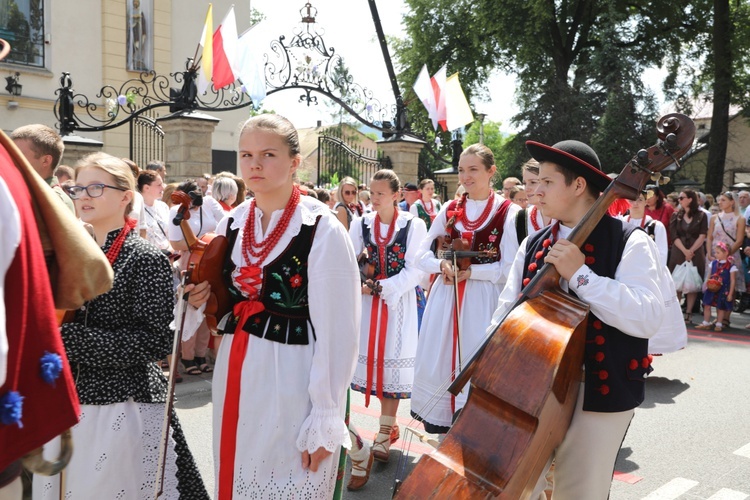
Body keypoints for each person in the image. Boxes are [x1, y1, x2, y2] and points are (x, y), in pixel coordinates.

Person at [186, 114, 359, 498]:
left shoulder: (322, 229)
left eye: (268, 154)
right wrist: (202, 298)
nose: (255, 165)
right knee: (240, 472)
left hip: (295, 374)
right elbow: (223, 301)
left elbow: (339, 331)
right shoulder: (233, 223)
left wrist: (326, 414)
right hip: (236, 366)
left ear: (295, 162)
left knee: (289, 479)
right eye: (246, 155)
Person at [488, 139, 665, 499]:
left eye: (547, 182)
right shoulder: (533, 243)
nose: (534, 192)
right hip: (532, 385)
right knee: (518, 488)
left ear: (579, 185)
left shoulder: (630, 240)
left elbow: (647, 316)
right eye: (534, 182)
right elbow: (505, 314)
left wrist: (582, 277)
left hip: (597, 388)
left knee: (579, 492)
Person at [33, 152, 208, 499]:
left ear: (126, 196)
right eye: (78, 188)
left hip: (118, 405)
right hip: (60, 401)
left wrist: (68, 338)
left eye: (96, 188)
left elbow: (155, 341)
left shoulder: (144, 257)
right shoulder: (61, 253)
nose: (83, 196)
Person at [410, 143, 520, 434]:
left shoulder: (509, 213)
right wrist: (442, 266)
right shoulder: (449, 208)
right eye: (461, 170)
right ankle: (446, 436)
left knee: (476, 362)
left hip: (483, 302)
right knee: (442, 360)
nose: (465, 176)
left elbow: (509, 269)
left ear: (491, 171)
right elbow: (420, 256)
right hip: (447, 299)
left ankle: (474, 436)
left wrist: (471, 272)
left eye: (473, 169)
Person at [349, 169, 427, 469]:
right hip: (369, 303)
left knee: (392, 360)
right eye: (372, 191)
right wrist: (362, 282)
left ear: (396, 195)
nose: (374, 197)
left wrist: (386, 287)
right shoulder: (361, 223)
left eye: (381, 193)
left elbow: (416, 268)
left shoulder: (413, 224)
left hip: (399, 301)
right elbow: (351, 257)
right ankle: (387, 427)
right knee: (374, 361)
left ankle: (385, 427)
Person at [168, 180, 218, 376]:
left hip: (212, 258)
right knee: (191, 307)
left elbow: (224, 223)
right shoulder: (177, 211)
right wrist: (197, 244)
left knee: (209, 307)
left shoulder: (209, 205)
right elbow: (175, 242)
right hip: (192, 259)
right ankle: (188, 357)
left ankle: (201, 354)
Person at [10, 124, 75, 214]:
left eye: (19, 155)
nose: (12, 160)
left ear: (45, 160)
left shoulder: (55, 200)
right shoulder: (25, 192)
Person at [667, 189, 707, 324]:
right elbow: (674, 236)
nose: (679, 200)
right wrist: (685, 251)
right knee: (676, 282)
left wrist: (691, 251)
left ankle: (689, 312)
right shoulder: (676, 215)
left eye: (681, 197)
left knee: (693, 283)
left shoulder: (701, 215)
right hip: (679, 251)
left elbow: (703, 234)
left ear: (690, 199)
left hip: (696, 251)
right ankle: (676, 311)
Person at [706, 191, 746, 298]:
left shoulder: (740, 218)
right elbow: (709, 237)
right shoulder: (714, 217)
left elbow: (739, 240)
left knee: (729, 287)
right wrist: (709, 253)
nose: (720, 202)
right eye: (719, 199)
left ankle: (726, 313)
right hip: (714, 255)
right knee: (711, 284)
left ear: (732, 202)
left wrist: (726, 254)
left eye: (723, 200)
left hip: (730, 256)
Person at [619, 190, 669, 266]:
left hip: (648, 270)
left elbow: (661, 255)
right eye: (631, 200)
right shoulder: (620, 223)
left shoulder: (656, 226)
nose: (635, 203)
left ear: (646, 202)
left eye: (640, 200)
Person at [696, 242, 737, 332]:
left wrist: (730, 293)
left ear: (726, 253)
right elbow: (709, 275)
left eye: (718, 253)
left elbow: (733, 281)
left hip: (723, 289)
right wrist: (706, 284)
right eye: (715, 252)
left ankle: (719, 323)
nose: (715, 254)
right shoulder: (713, 263)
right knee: (707, 305)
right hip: (711, 288)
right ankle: (706, 322)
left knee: (720, 307)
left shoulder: (731, 266)